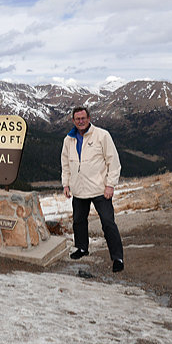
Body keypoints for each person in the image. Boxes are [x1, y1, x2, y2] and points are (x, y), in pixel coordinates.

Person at [61, 107, 125, 272]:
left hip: (100, 189)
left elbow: (113, 161)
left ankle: (117, 257)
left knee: (108, 223)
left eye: (83, 118)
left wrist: (110, 185)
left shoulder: (102, 135)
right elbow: (65, 164)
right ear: (73, 121)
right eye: (77, 119)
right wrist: (66, 184)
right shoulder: (69, 139)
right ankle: (82, 248)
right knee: (78, 222)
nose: (80, 121)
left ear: (89, 118)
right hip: (78, 189)